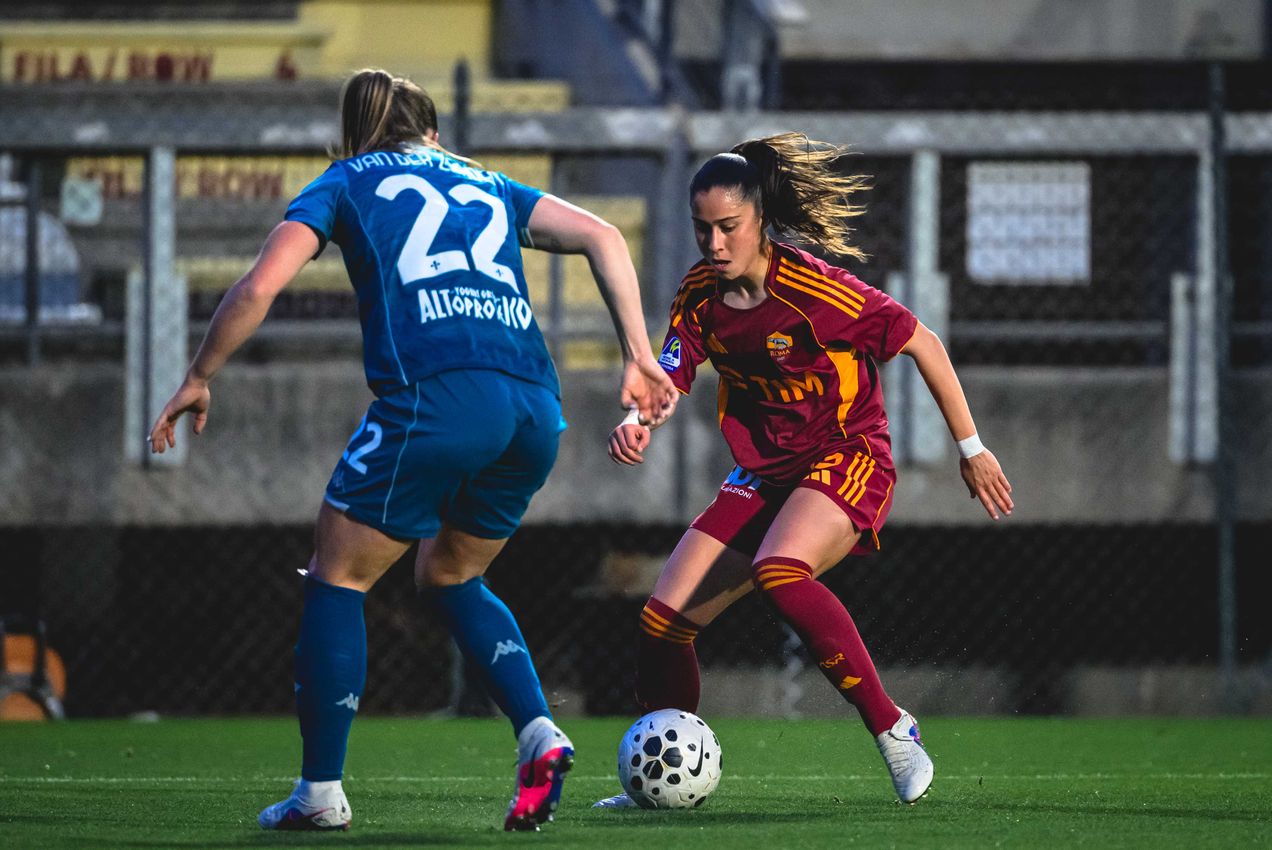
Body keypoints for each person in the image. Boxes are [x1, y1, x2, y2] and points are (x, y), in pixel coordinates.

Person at [148, 69, 676, 832]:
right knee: (451, 572)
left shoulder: (344, 180)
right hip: (533, 405)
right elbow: (600, 233)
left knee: (338, 572)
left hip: (439, 398)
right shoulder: (485, 180)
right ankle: (538, 732)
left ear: (359, 133)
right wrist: (636, 352)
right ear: (432, 132)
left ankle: (320, 796)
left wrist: (199, 374)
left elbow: (262, 285)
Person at [597, 133, 1013, 807]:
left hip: (847, 455)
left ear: (760, 219)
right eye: (703, 229)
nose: (715, 244)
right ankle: (663, 778)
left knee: (779, 570)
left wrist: (972, 450)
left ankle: (893, 728)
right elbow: (668, 374)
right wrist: (639, 421)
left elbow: (923, 343)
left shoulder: (820, 291)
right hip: (766, 472)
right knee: (661, 623)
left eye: (729, 227)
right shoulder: (699, 294)